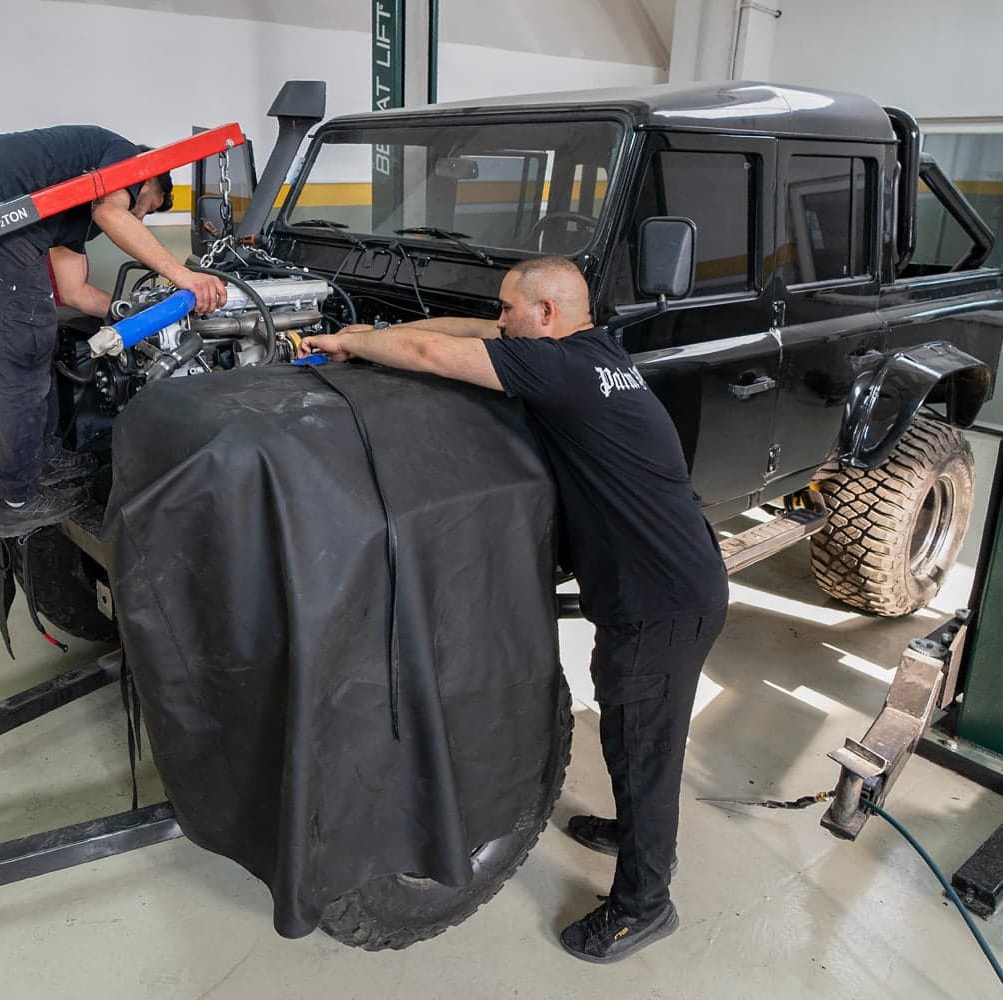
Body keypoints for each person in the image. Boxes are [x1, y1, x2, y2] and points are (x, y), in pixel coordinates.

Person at [299, 256, 728, 963]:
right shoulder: (593, 348)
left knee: (648, 744)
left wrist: (350, 344)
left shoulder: (556, 371)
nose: (499, 321)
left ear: (547, 317)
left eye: (509, 310)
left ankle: (646, 904)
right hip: (661, 585)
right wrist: (385, 328)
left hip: (663, 602)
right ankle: (636, 830)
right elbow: (467, 329)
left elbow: (438, 352)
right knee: (628, 726)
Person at [0, 125, 227, 537]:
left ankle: (43, 457)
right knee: (25, 348)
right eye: (149, 207)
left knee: (31, 337)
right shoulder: (122, 158)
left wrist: (137, 314)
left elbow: (74, 292)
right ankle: (17, 500)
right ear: (149, 178)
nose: (142, 216)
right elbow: (114, 212)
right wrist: (182, 276)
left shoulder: (74, 210)